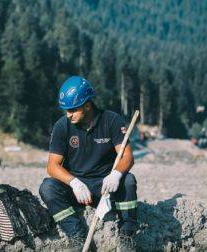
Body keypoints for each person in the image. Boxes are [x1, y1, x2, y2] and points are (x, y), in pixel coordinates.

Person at [39, 76, 138, 251]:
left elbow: (127, 156)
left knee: (128, 181)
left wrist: (116, 175)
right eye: (66, 110)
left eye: (72, 110)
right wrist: (74, 183)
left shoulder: (111, 120)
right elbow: (52, 166)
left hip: (105, 186)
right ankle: (76, 235)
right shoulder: (62, 126)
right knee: (47, 187)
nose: (68, 115)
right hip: (77, 189)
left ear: (87, 105)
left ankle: (127, 235)